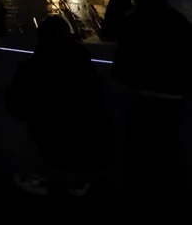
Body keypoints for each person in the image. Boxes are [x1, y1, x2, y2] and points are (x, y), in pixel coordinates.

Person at [111, 0, 192, 225]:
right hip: (176, 89)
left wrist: (120, 13)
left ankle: (143, 209)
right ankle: (172, 201)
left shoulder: (145, 16)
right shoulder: (184, 9)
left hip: (149, 90)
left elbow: (122, 52)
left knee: (140, 148)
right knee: (167, 144)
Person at [6, 15, 115, 196]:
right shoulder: (85, 64)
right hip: (95, 149)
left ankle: (40, 176)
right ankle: (79, 179)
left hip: (52, 142)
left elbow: (14, 105)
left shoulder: (33, 66)